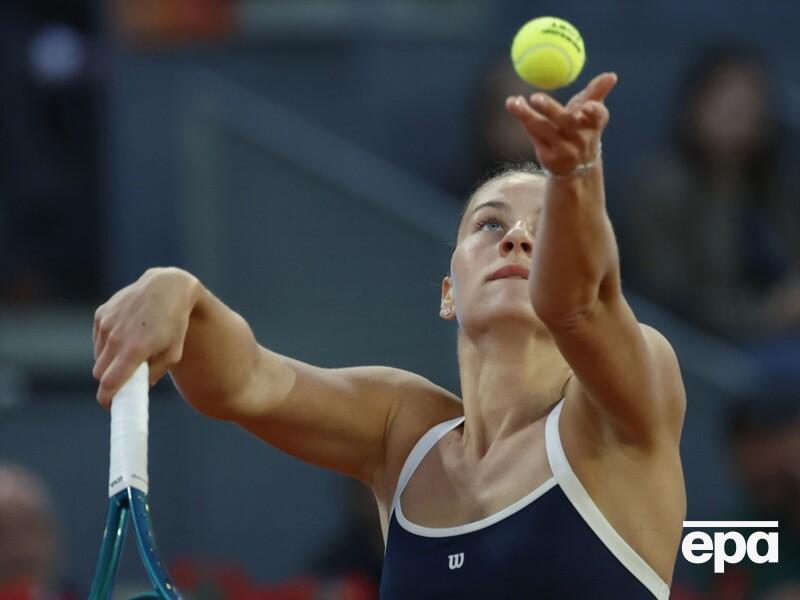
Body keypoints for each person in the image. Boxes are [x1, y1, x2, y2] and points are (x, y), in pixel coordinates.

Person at [92, 72, 686, 599]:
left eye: (546, 227)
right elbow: (243, 382)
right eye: (490, 224)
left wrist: (574, 178)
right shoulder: (402, 433)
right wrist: (181, 294)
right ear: (448, 292)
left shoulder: (627, 404)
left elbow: (578, 306)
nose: (517, 238)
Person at [625, 43, 800, 345]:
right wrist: (769, 311)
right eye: (729, 104)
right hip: (714, 349)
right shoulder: (662, 190)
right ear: (695, 107)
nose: (742, 116)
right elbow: (673, 301)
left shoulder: (772, 186)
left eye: (752, 106)